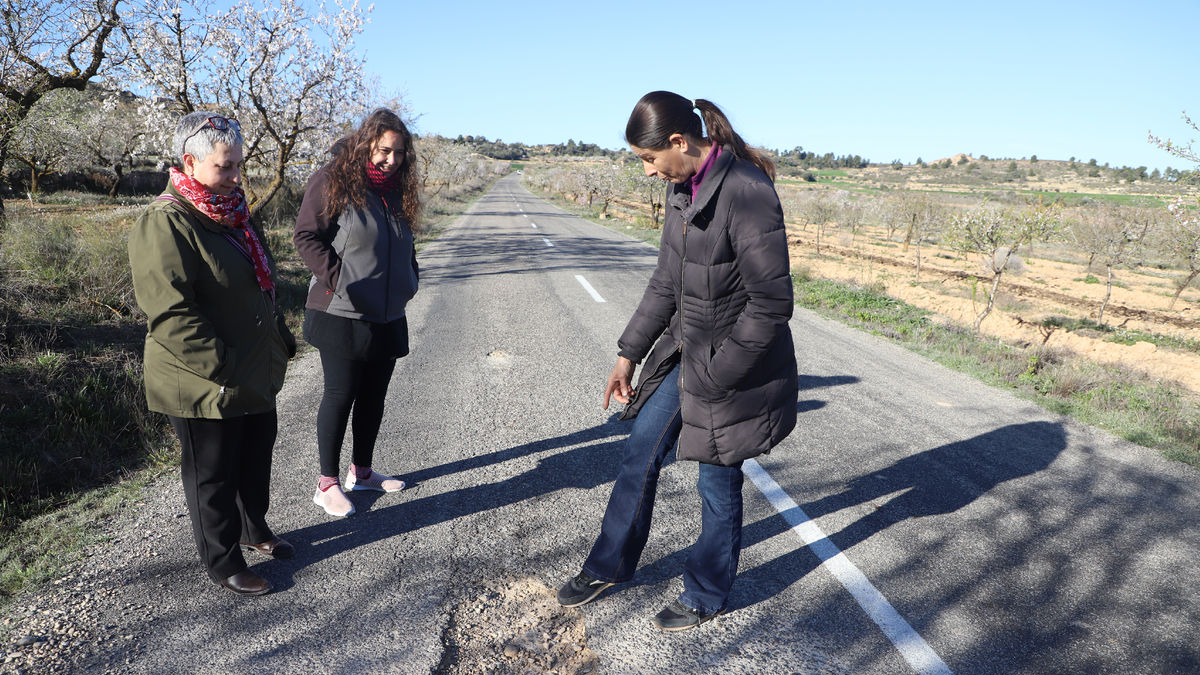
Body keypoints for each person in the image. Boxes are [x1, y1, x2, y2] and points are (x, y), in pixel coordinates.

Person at [557, 91, 799, 630]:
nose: (646, 172)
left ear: (678, 141)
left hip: (737, 368)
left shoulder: (747, 193)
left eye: (648, 159)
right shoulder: (681, 191)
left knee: (717, 482)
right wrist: (628, 354)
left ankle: (706, 591)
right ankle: (610, 565)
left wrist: (720, 375)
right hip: (688, 355)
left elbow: (772, 304)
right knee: (640, 452)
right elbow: (666, 281)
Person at [129, 111, 296, 597]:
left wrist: (279, 341)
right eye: (225, 167)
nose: (235, 176)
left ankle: (252, 529)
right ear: (190, 162)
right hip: (205, 378)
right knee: (213, 475)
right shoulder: (165, 222)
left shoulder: (233, 212)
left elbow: (260, 287)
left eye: (239, 165)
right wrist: (222, 367)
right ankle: (223, 560)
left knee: (255, 458)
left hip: (252, 368)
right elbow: (171, 313)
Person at [293, 108, 420, 518]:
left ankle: (361, 473)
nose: (392, 160)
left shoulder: (396, 189)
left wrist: (410, 277)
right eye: (385, 150)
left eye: (400, 153)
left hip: (387, 312)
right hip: (341, 310)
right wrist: (339, 278)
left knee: (373, 397)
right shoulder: (333, 179)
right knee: (340, 393)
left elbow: (404, 243)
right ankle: (327, 484)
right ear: (366, 143)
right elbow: (306, 236)